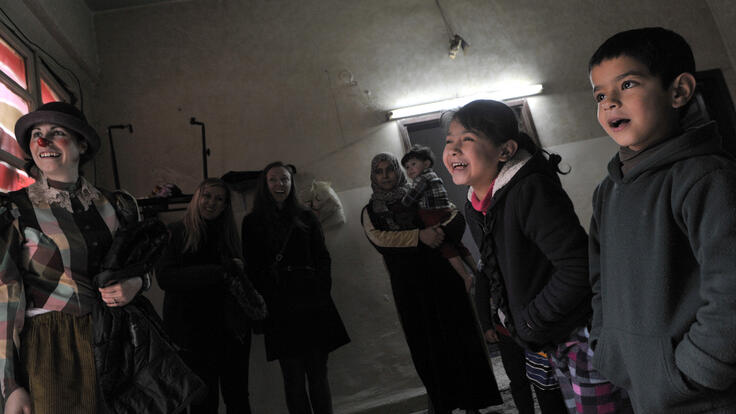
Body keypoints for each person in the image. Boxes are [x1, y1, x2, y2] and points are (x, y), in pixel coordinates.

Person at [444, 100, 631, 413]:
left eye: (467, 140)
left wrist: (530, 320)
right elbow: (496, 270)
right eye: (449, 141)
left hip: (581, 334)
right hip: (549, 337)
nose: (453, 150)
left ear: (504, 151)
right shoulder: (476, 204)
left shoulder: (529, 190)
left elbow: (578, 267)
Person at [588, 27, 736, 413]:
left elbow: (731, 288)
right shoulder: (607, 192)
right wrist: (607, 345)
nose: (609, 103)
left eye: (628, 84)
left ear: (678, 91)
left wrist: (698, 369)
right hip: (644, 386)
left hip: (704, 394)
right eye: (600, 94)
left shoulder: (705, 178)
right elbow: (600, 280)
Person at [0, 102, 152, 413]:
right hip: (52, 347)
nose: (43, 142)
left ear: (81, 143)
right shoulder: (15, 210)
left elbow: (140, 264)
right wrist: (9, 385)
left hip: (117, 339)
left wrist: (138, 282)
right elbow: (4, 298)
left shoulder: (118, 205)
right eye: (37, 135)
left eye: (57, 133)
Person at [361, 153, 502, 414]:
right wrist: (418, 236)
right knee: (427, 346)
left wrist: (436, 234)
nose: (386, 176)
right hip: (411, 290)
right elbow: (380, 240)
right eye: (379, 172)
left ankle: (474, 404)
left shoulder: (420, 191)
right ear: (374, 176)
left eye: (390, 170)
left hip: (444, 279)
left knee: (461, 338)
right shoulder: (371, 211)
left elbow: (453, 216)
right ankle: (443, 405)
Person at [242, 161, 349, 414]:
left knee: (318, 375)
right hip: (279, 307)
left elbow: (322, 257)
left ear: (292, 183)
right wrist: (268, 300)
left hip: (312, 302)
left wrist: (321, 290)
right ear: (265, 185)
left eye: (285, 179)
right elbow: (253, 268)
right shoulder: (253, 222)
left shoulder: (306, 216)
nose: (280, 184)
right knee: (292, 377)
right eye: (274, 180)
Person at [158, 177, 265, 414]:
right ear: (197, 197)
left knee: (238, 397)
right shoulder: (176, 232)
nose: (211, 203)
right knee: (203, 403)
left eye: (219, 199)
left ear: (225, 205)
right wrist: (218, 272)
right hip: (193, 334)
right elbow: (166, 278)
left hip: (231, 332)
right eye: (207, 196)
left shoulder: (228, 236)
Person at [400, 144, 477, 291]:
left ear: (427, 163)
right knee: (458, 244)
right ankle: (475, 269)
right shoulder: (433, 175)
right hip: (445, 211)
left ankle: (466, 276)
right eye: (407, 167)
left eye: (413, 164)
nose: (410, 170)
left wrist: (404, 201)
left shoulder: (422, 179)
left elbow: (409, 201)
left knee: (445, 247)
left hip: (433, 214)